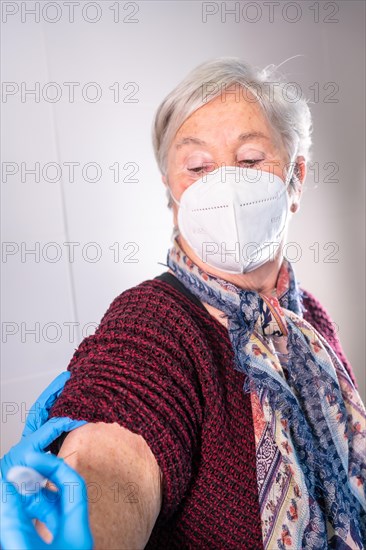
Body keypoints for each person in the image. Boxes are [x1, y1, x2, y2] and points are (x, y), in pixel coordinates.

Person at [2, 57, 365, 549]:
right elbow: (117, 451)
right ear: (172, 193)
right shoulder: (155, 320)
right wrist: (84, 522)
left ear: (295, 178)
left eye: (252, 159)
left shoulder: (310, 320)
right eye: (198, 167)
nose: (225, 186)